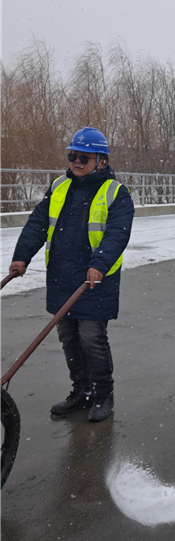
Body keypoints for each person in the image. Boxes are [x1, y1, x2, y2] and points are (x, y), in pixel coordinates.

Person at [9, 128, 135, 422]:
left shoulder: (116, 193)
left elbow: (117, 234)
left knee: (92, 338)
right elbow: (38, 224)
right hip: (63, 276)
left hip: (95, 280)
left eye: (84, 157)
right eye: (72, 156)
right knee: (68, 337)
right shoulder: (59, 187)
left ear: (101, 161)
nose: (77, 162)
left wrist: (99, 264)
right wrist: (21, 256)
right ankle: (82, 392)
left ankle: (103, 395)